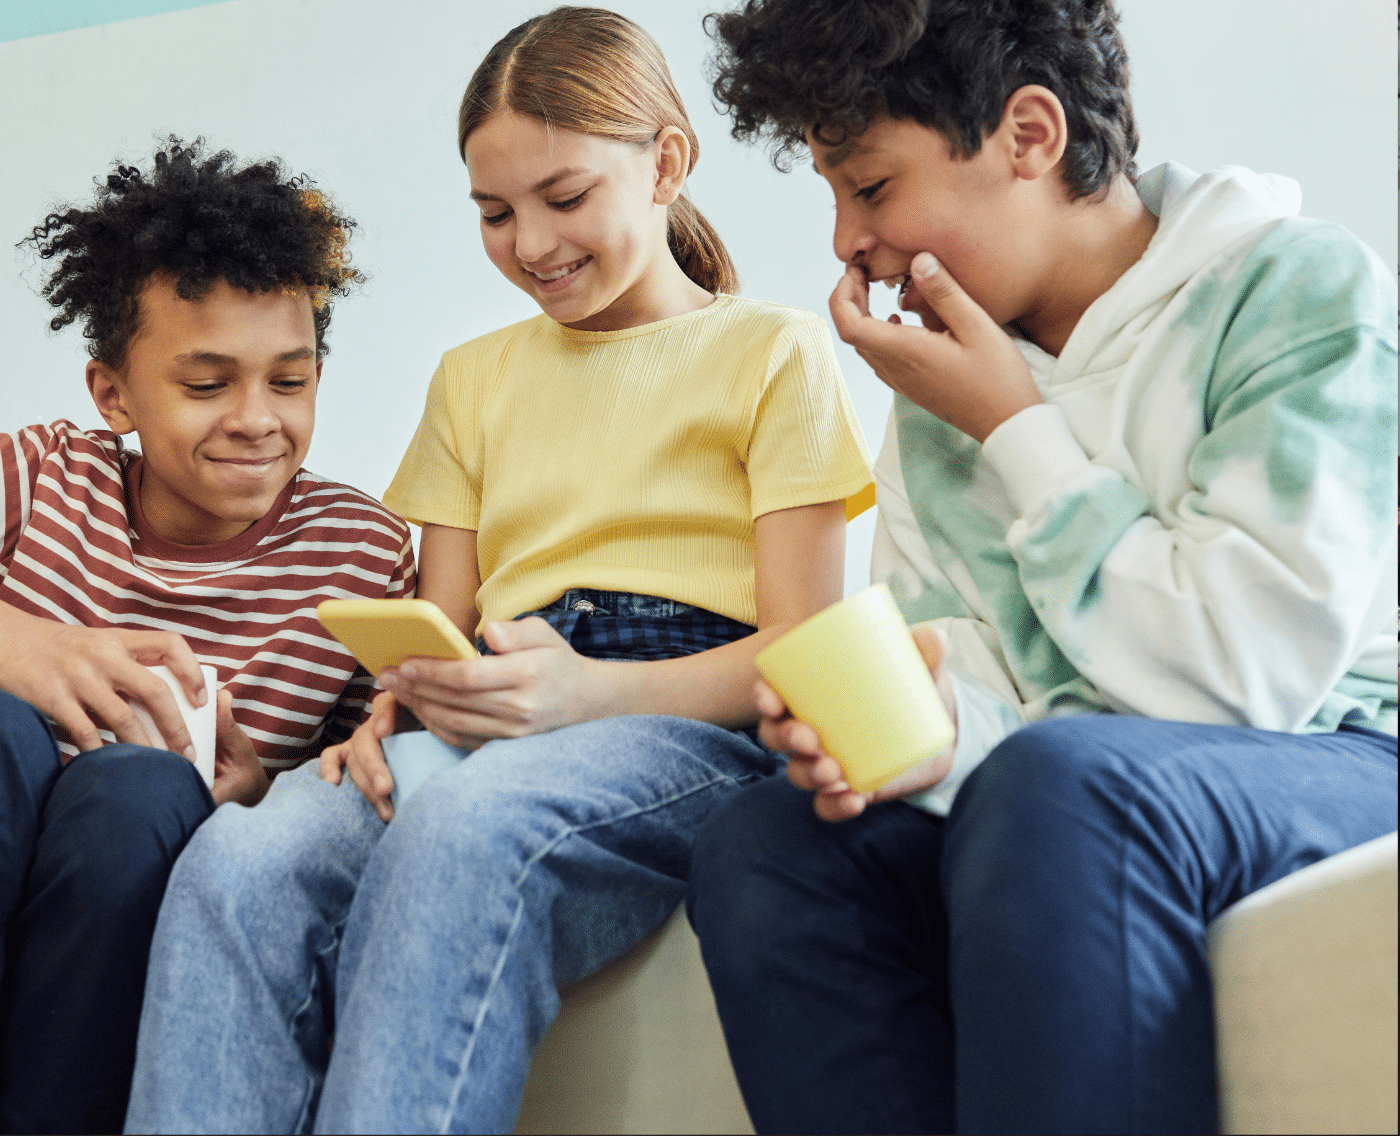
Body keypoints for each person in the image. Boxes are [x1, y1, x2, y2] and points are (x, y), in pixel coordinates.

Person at [124, 8, 873, 1133]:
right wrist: (392, 705)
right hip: (488, 708)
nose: (530, 242)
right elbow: (439, 619)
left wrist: (589, 690)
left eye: (563, 198)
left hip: (682, 724)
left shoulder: (771, 350)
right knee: (238, 860)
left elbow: (805, 653)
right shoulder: (470, 378)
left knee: (464, 828)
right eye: (493, 212)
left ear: (666, 162)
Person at [685, 1, 1399, 1132]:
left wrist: (1017, 428)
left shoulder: (1298, 293)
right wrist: (908, 717)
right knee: (764, 842)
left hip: (1336, 739)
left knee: (1060, 783)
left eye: (867, 188)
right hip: (1073, 773)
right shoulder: (943, 395)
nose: (842, 242)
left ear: (1027, 135)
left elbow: (1246, 675)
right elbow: (972, 671)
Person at [0, 138, 415, 1134]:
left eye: (289, 380)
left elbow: (364, 788)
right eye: (205, 383)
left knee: (139, 785)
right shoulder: (39, 473)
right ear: (113, 392)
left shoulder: (363, 555)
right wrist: (26, 650)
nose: (254, 420)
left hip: (131, 900)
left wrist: (258, 788)